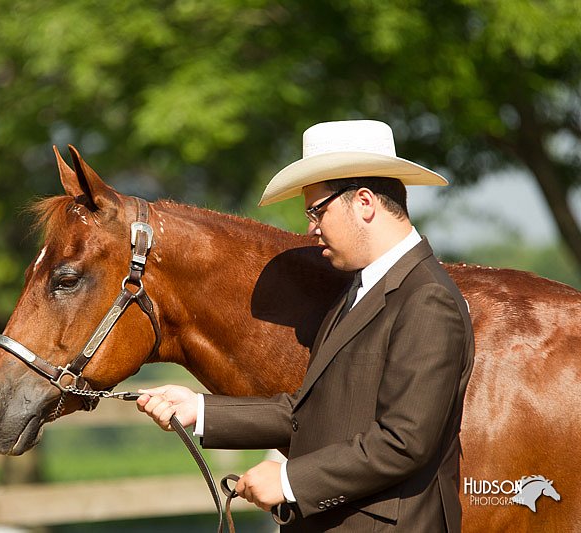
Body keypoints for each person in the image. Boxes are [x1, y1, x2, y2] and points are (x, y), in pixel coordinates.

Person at [137, 119, 475, 532]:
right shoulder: (358, 291)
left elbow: (404, 443)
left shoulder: (427, 299)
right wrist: (199, 409)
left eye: (317, 211)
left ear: (364, 202)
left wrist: (288, 481)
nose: (311, 228)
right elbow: (308, 412)